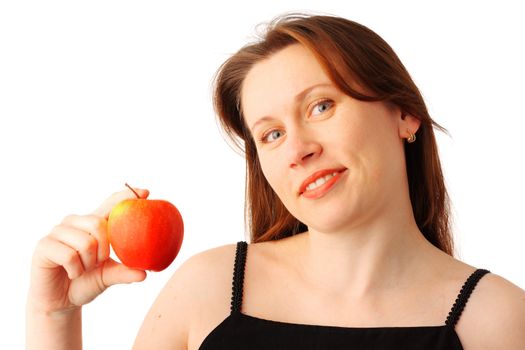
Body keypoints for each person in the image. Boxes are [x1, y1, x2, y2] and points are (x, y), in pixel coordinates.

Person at [26, 13, 525, 350]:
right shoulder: (209, 288)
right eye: (271, 134)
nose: (298, 148)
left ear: (406, 115)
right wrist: (54, 317)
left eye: (321, 106)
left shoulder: (496, 318)